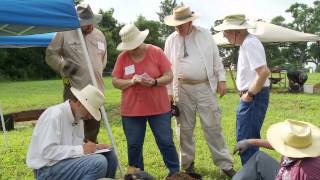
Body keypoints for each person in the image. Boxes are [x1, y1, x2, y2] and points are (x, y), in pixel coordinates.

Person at [164, 5, 235, 177]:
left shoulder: (205, 34)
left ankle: (225, 164)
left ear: (190, 22)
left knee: (213, 126)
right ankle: (187, 165)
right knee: (184, 129)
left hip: (205, 86)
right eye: (176, 25)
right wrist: (169, 92)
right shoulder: (171, 40)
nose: (177, 28)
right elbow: (166, 67)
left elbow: (216, 58)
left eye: (181, 24)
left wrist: (222, 79)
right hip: (181, 88)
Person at [112, 24, 180, 177]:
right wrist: (131, 81)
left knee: (166, 142)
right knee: (134, 145)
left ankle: (175, 173)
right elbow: (115, 81)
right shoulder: (122, 58)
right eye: (129, 46)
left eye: (134, 45)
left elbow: (169, 76)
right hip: (132, 111)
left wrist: (155, 82)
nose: (132, 49)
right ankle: (137, 175)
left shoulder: (156, 52)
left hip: (159, 109)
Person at [26, 85, 118, 180]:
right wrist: (82, 149)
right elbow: (47, 151)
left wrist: (95, 147)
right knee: (99, 162)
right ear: (79, 103)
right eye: (89, 111)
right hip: (46, 170)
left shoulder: (78, 118)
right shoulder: (54, 115)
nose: (90, 116)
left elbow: (72, 146)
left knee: (110, 156)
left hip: (65, 163)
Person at [45, 4, 107, 143]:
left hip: (96, 90)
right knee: (72, 127)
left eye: (91, 22)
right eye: (85, 23)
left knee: (93, 129)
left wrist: (96, 73)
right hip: (74, 89)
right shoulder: (63, 32)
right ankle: (74, 155)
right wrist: (63, 66)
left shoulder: (99, 35)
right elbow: (50, 55)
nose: (89, 26)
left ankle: (91, 155)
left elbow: (103, 60)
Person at [214, 14, 271, 165]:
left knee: (246, 141)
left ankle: (252, 174)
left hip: (254, 97)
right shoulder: (247, 42)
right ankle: (252, 172)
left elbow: (264, 72)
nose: (224, 35)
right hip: (254, 97)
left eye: (226, 31)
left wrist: (250, 94)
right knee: (247, 139)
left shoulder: (249, 43)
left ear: (236, 31)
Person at [233, 119, 320, 180]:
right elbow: (277, 144)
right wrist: (250, 142)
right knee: (259, 158)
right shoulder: (304, 150)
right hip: (284, 174)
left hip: (289, 176)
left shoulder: (306, 172)